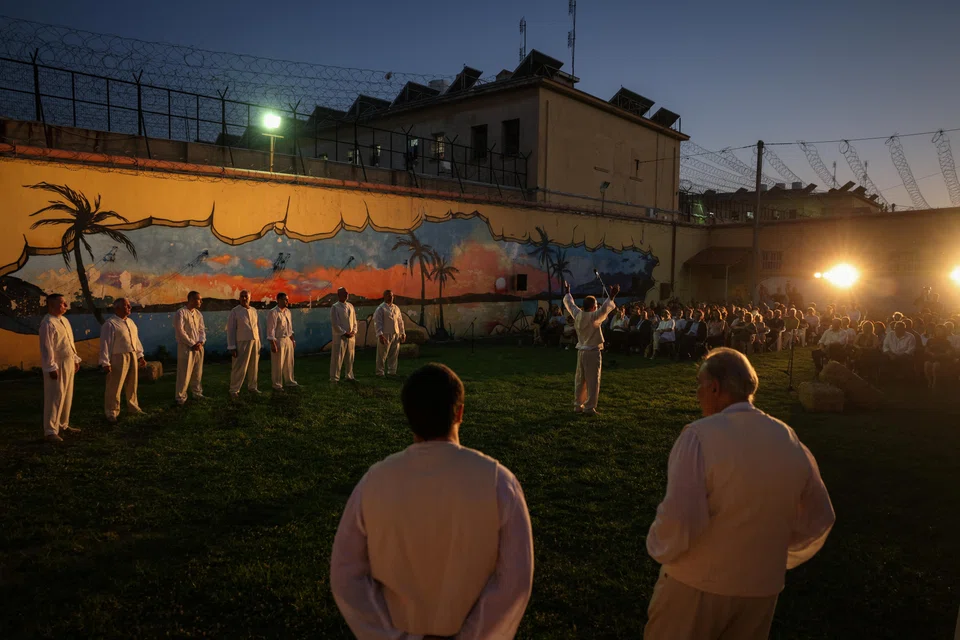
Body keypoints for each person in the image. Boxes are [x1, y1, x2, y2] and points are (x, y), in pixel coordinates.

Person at [330, 363, 534, 639]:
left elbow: (346, 575)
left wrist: (390, 635)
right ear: (460, 412)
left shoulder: (374, 481)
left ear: (408, 416)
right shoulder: (499, 482)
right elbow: (515, 581)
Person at [644, 348, 835, 640]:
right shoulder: (788, 437)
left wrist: (658, 547)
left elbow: (680, 519)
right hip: (761, 589)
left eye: (699, 384)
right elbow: (820, 516)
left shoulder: (699, 436)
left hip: (696, 586)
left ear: (715, 387)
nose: (697, 393)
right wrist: (768, 554)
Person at [561, 280, 620, 416]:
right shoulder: (594, 317)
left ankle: (578, 405)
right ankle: (589, 407)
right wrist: (612, 296)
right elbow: (605, 309)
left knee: (580, 379)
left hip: (581, 351)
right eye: (596, 305)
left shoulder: (578, 315)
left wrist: (568, 292)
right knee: (592, 380)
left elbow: (570, 304)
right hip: (592, 352)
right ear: (593, 307)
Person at [39, 293, 81, 442]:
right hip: (57, 363)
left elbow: (69, 342)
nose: (65, 306)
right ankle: (50, 430)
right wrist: (51, 367)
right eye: (62, 303)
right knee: (55, 395)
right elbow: (46, 348)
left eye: (65, 303)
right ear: (51, 305)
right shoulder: (48, 323)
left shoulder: (64, 321)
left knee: (67, 394)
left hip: (68, 361)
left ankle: (63, 424)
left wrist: (75, 359)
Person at [99, 298, 146, 423]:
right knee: (115, 385)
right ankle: (112, 412)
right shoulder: (110, 324)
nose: (129, 308)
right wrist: (105, 362)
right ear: (117, 308)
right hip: (118, 356)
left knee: (132, 383)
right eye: (126, 306)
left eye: (129, 305)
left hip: (132, 354)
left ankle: (133, 407)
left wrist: (140, 355)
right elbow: (105, 344)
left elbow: (135, 339)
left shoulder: (131, 322)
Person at [227, 289, 261, 399]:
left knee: (254, 365)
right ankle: (234, 389)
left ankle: (253, 387)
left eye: (246, 296)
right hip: (241, 341)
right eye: (242, 296)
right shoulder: (235, 311)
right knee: (239, 366)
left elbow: (257, 327)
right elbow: (231, 330)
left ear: (250, 297)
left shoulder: (254, 310)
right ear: (239, 298)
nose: (244, 298)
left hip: (255, 340)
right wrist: (232, 346)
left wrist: (259, 342)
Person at [174, 290, 206, 406]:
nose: (201, 301)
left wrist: (201, 341)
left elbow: (202, 329)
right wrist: (193, 343)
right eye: (199, 299)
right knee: (184, 372)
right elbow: (180, 331)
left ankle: (197, 393)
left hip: (198, 347)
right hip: (186, 347)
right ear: (192, 299)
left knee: (197, 372)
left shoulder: (198, 314)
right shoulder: (181, 313)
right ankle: (180, 397)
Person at [267, 292, 298, 391]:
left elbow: (290, 328)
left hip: (288, 339)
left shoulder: (288, 312)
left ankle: (290, 381)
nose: (287, 301)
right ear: (279, 300)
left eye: (287, 299)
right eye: (285, 299)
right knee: (278, 363)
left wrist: (292, 340)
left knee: (289, 362)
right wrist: (273, 343)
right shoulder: (273, 312)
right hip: (279, 340)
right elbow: (271, 329)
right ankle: (277, 384)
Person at [373, 289, 406, 377]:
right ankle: (380, 372)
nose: (390, 297)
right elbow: (377, 322)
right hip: (385, 333)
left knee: (394, 354)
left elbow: (400, 321)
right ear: (384, 296)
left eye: (392, 295)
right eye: (388, 295)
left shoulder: (396, 308)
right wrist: (380, 335)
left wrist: (402, 333)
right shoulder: (381, 308)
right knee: (382, 354)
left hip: (396, 333)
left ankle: (392, 371)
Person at [331, 286, 358, 382]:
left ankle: (349, 375)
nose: (347, 295)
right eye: (344, 293)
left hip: (351, 336)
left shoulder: (351, 306)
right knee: (337, 357)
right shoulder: (335, 307)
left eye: (347, 293)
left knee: (350, 357)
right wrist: (344, 333)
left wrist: (354, 331)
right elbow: (335, 324)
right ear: (339, 295)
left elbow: (354, 321)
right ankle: (334, 378)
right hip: (340, 337)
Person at [923, 325, 953, 390]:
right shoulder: (930, 340)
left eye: (940, 330)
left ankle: (935, 382)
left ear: (944, 332)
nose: (938, 332)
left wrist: (939, 355)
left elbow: (948, 353)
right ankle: (929, 381)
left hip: (942, 360)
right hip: (931, 358)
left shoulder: (946, 342)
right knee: (927, 364)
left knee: (935, 365)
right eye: (937, 330)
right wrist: (931, 353)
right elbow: (926, 350)